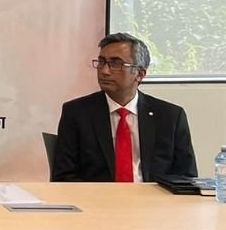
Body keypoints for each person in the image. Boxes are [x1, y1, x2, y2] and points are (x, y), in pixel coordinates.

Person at [51, 32, 196, 182]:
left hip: (152, 196)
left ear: (139, 74)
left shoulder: (170, 117)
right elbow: (64, 177)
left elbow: (186, 177)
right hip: (97, 196)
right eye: (101, 62)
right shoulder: (77, 113)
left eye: (116, 64)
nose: (105, 71)